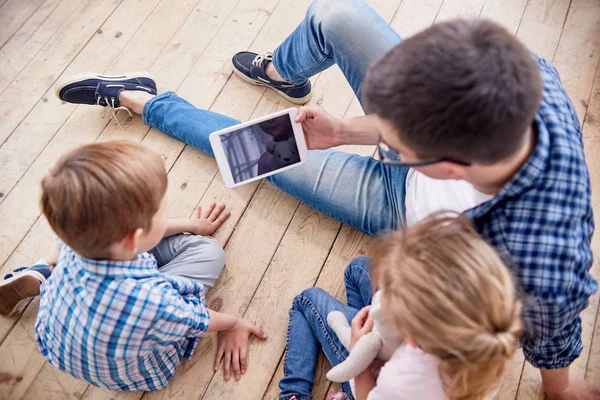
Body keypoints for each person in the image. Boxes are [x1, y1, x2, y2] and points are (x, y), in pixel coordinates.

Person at [45, 1, 597, 397]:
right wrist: (347, 130)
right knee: (337, 13)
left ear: (447, 163)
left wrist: (559, 389)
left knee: (248, 151)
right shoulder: (521, 74)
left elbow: (554, 328)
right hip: (433, 158)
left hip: (400, 205)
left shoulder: (542, 257)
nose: (384, 132)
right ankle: (282, 71)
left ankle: (144, 101)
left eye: (396, 134)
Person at [0, 141, 267, 390]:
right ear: (135, 238)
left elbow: (138, 235)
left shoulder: (77, 233)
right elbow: (197, 319)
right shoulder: (155, 304)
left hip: (64, 337)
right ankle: (48, 272)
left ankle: (48, 269)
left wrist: (191, 224)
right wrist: (232, 325)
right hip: (138, 365)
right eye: (159, 213)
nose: (163, 215)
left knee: (96, 253)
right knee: (209, 252)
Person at [280, 215, 523, 400]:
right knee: (359, 268)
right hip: (406, 349)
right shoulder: (489, 329)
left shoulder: (404, 379)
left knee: (307, 300)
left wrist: (358, 351)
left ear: (412, 336)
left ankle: (294, 393)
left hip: (369, 375)